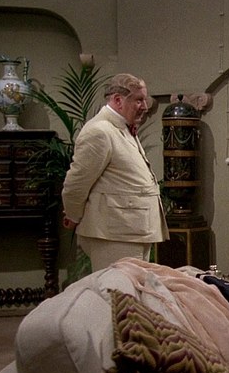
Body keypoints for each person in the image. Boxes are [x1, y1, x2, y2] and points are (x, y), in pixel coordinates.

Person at [61, 73, 169, 272]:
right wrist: (73, 215)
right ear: (118, 100)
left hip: (133, 231)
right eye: (138, 100)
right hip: (114, 234)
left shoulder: (122, 128)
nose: (145, 106)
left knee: (136, 289)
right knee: (118, 290)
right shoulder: (99, 131)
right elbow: (76, 183)